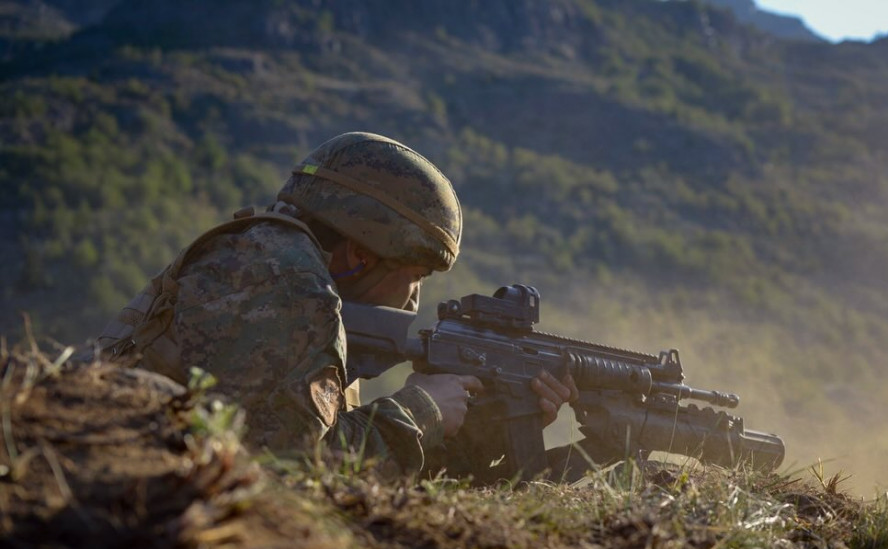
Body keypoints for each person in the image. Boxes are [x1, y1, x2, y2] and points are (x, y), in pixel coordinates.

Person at [96, 132, 576, 474]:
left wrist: (483, 427)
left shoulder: (276, 263)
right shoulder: (287, 283)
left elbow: (357, 467)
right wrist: (421, 410)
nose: (414, 298)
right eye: (414, 275)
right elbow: (286, 471)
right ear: (359, 254)